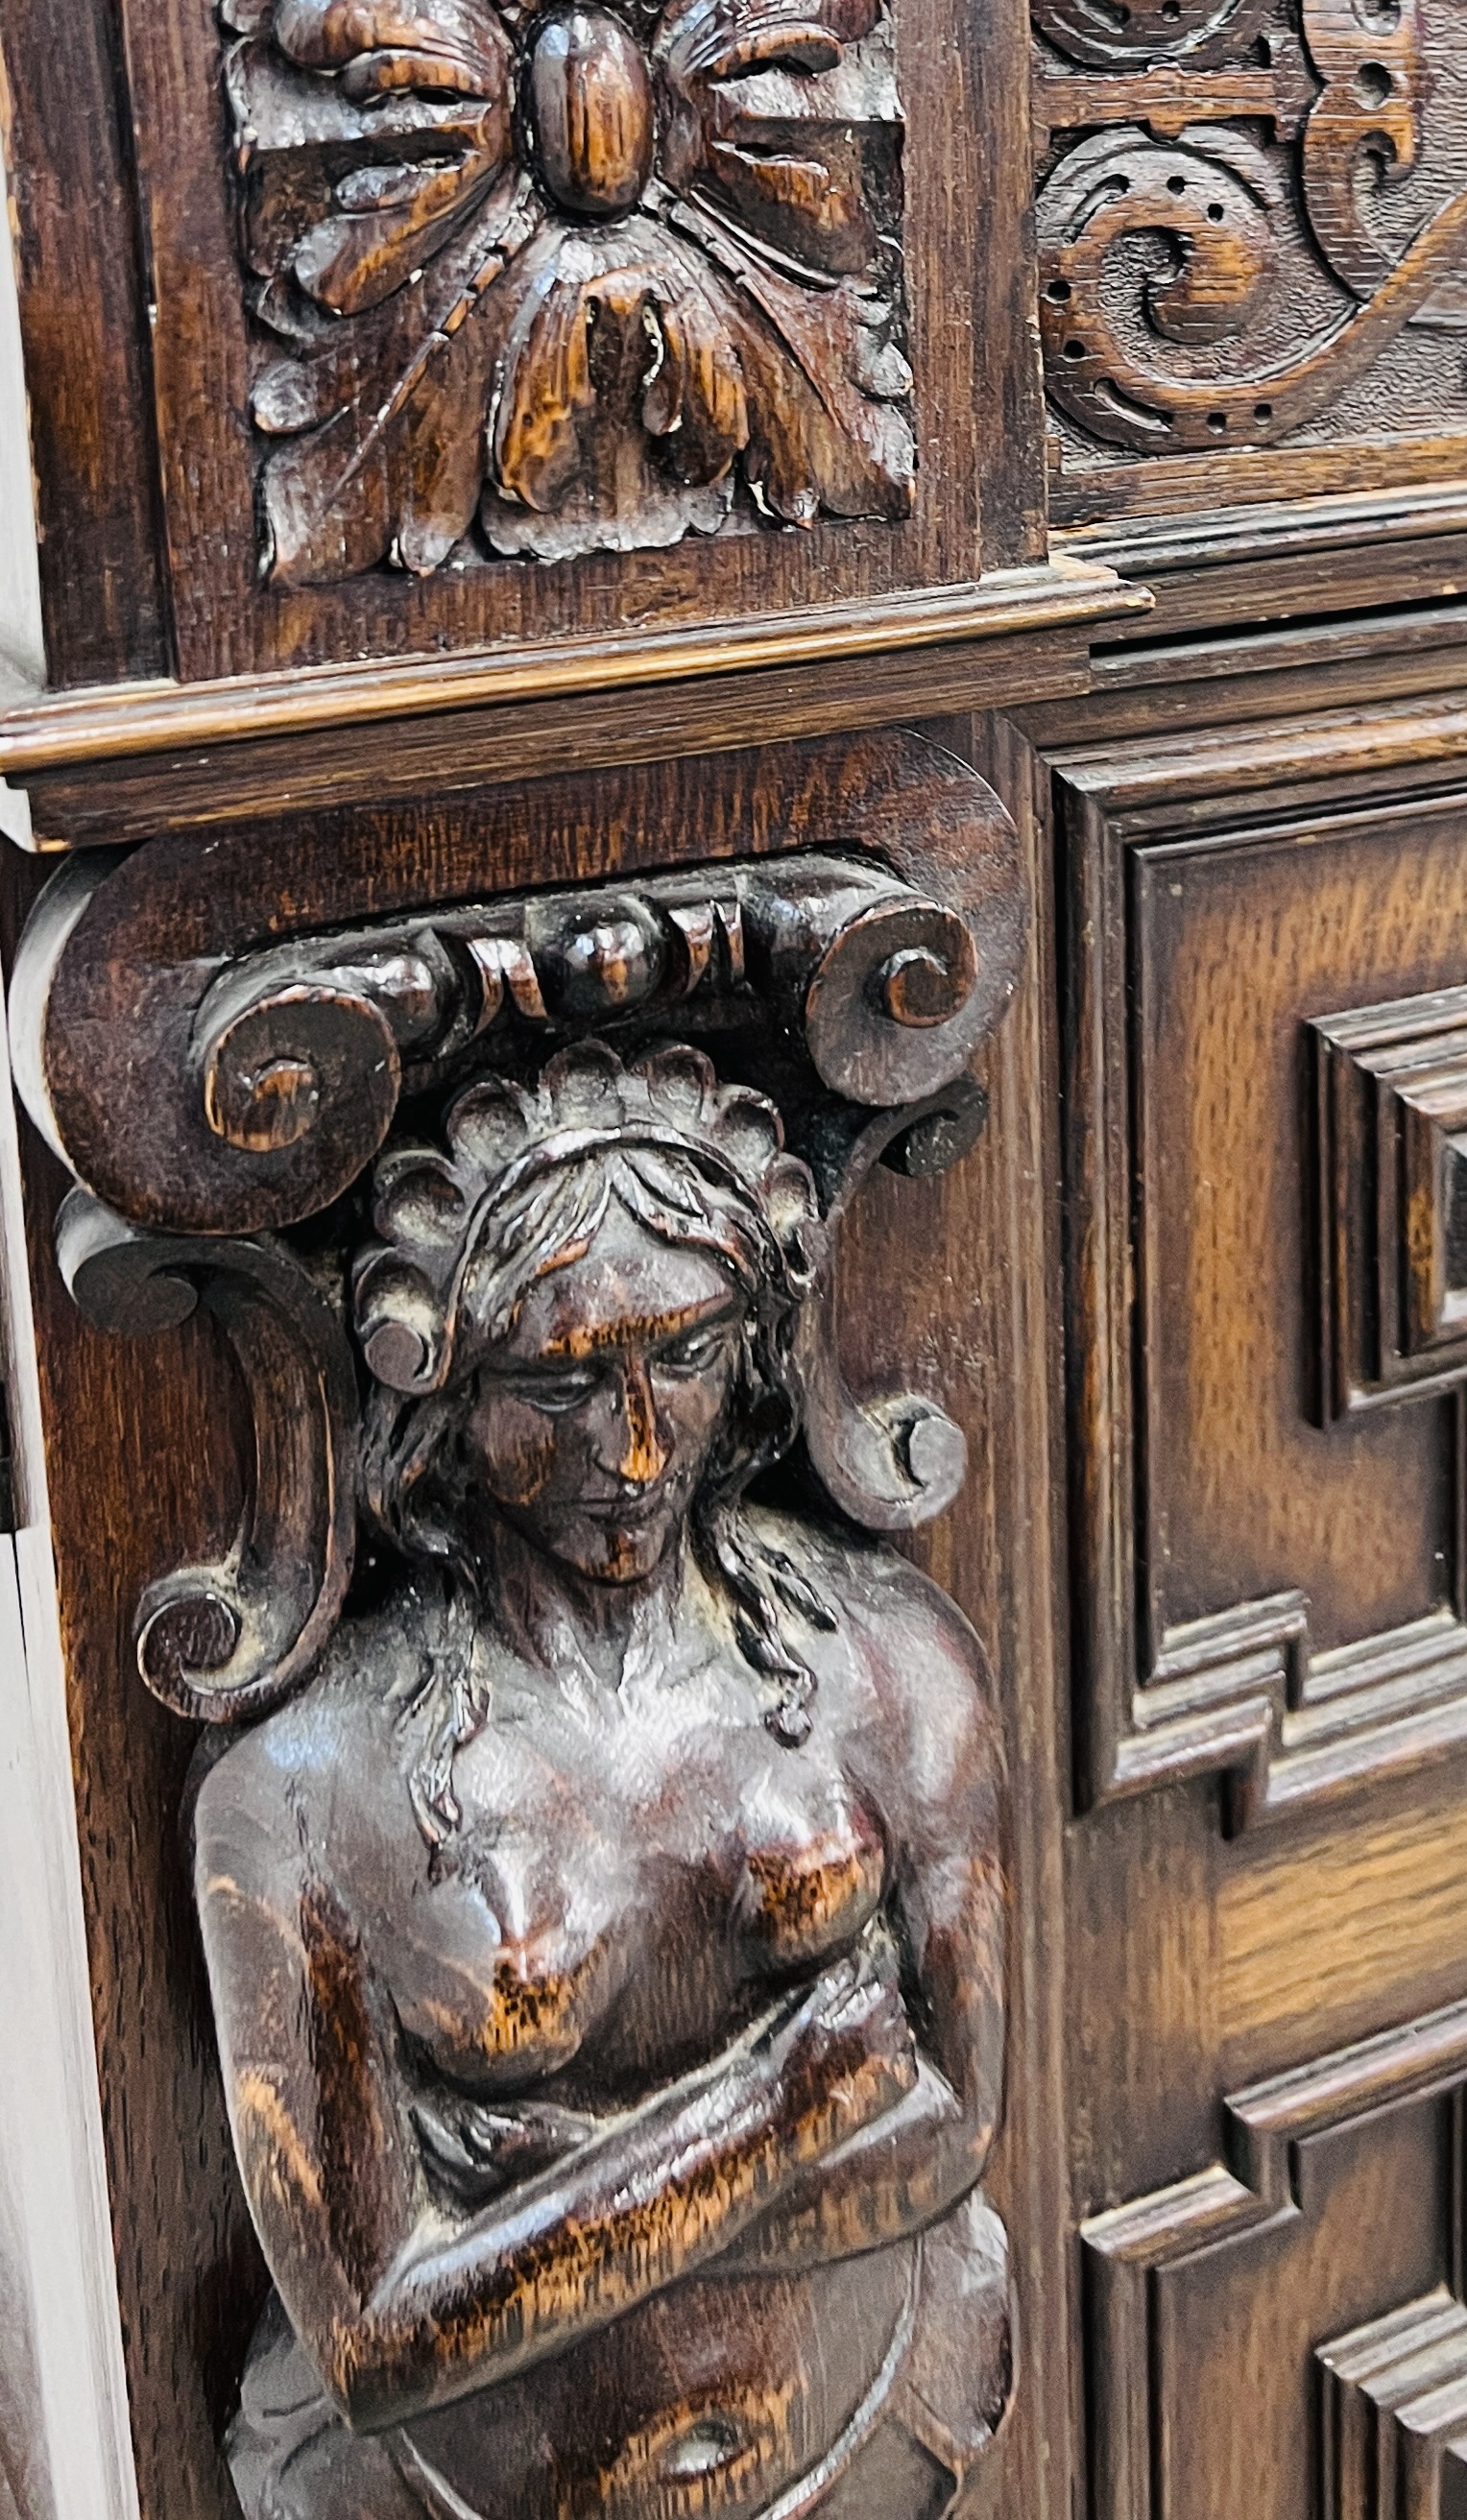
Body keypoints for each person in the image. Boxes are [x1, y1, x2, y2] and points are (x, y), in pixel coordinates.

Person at [193, 1040, 1011, 2520]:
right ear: (443, 1382)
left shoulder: (891, 1664)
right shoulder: (309, 1791)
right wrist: (783, 2107)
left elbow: (954, 2121)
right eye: (559, 1380)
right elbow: (378, 2338)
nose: (635, 1447)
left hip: (885, 2420)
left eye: (685, 1356)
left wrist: (542, 2212)